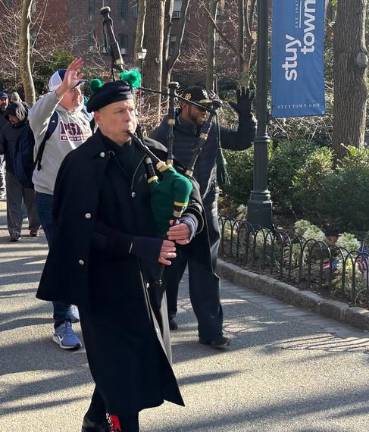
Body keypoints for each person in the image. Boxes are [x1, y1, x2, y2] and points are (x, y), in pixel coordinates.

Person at [36, 79, 204, 432]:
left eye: (130, 110)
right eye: (119, 112)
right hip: (102, 285)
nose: (129, 117)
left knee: (131, 361)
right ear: (97, 116)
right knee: (123, 373)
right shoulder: (79, 164)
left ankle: (96, 417)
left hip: (149, 280)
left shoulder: (153, 152)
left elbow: (193, 195)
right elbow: (75, 232)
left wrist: (189, 222)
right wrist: (134, 245)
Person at [152, 85, 257, 348]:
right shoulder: (164, 133)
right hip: (174, 210)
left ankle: (211, 332)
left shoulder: (210, 131)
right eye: (201, 107)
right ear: (185, 105)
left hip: (206, 208)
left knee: (205, 272)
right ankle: (166, 316)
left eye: (209, 108)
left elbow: (242, 141)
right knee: (169, 269)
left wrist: (247, 115)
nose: (205, 112)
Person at [29, 58, 92, 350]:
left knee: (84, 253)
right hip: (51, 197)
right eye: (71, 89)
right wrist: (57, 92)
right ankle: (62, 322)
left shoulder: (84, 117)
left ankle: (73, 300)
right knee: (63, 255)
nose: (77, 93)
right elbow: (36, 115)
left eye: (79, 88)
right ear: (59, 91)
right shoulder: (47, 118)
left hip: (83, 198)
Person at [0, 102, 40, 241]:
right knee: (13, 203)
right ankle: (14, 231)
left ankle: (34, 227)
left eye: (13, 116)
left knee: (32, 202)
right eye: (9, 116)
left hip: (29, 171)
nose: (11, 119)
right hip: (12, 171)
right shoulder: (6, 129)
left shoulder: (32, 128)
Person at [0, 91, 8, 199]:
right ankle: (2, 189)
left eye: (5, 99)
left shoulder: (12, 111)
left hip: (11, 145)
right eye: (2, 99)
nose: (4, 101)